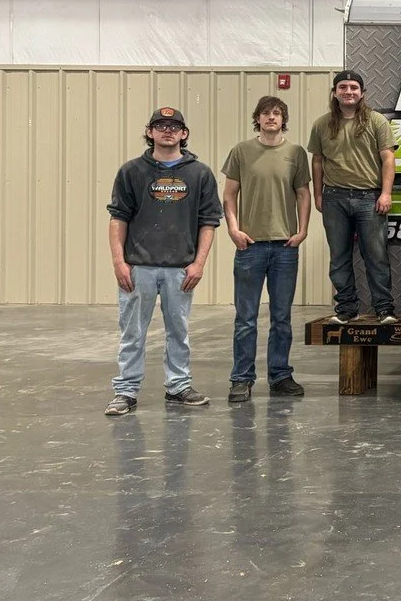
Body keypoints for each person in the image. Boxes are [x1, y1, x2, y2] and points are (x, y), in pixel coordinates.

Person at [104, 106, 222, 416]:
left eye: (174, 126)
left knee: (178, 330)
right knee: (132, 332)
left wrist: (198, 264)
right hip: (138, 267)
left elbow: (208, 221)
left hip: (180, 269)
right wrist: (119, 262)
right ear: (150, 132)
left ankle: (179, 386)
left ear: (184, 134)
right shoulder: (131, 171)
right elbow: (118, 218)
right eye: (160, 125)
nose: (167, 130)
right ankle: (126, 391)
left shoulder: (200, 174)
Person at [222, 96, 312, 402]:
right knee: (245, 318)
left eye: (277, 113)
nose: (271, 117)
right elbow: (230, 195)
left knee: (281, 317)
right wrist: (233, 229)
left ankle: (280, 376)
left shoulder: (296, 153)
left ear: (283, 119)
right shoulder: (241, 152)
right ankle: (241, 378)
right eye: (265, 113)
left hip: (285, 247)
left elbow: (303, 194)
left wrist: (302, 231)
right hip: (250, 247)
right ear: (257, 118)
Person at [307, 70, 398, 325]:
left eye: (354, 87)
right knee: (339, 257)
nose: (349, 91)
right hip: (334, 197)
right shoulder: (321, 124)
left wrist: (386, 193)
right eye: (343, 87)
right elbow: (317, 161)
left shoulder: (377, 121)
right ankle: (347, 309)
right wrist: (318, 195)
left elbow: (388, 158)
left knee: (377, 256)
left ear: (362, 93)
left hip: (370, 198)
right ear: (335, 93)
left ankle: (384, 309)